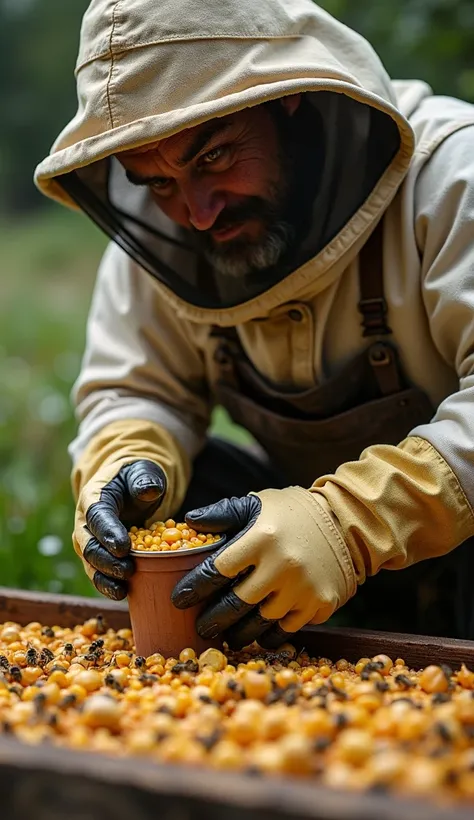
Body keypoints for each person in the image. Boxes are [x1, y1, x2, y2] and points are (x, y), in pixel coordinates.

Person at [35, 0, 474, 647]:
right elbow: (136, 390)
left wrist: (346, 524)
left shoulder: (452, 176)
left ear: (289, 98)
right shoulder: (166, 233)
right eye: (156, 183)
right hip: (299, 566)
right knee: (170, 496)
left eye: (213, 157)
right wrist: (127, 459)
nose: (197, 213)